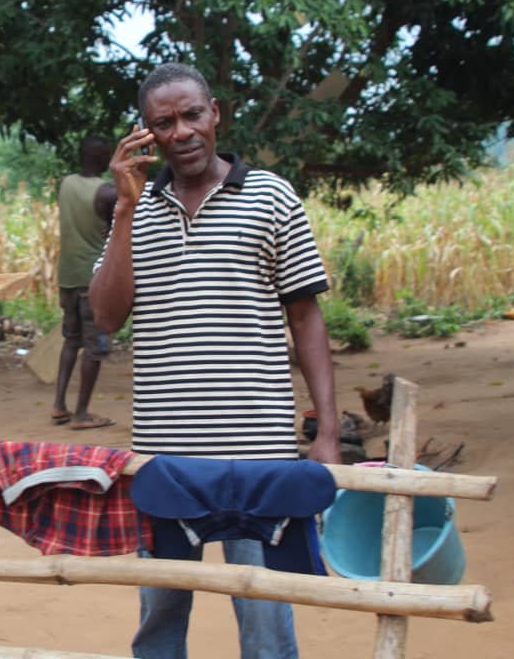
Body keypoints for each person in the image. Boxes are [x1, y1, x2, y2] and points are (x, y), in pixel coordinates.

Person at [89, 63, 340, 659]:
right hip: (164, 455)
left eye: (192, 115)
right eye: (163, 123)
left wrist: (327, 432)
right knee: (161, 615)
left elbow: (306, 318)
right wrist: (123, 211)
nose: (181, 132)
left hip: (260, 453)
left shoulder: (271, 195)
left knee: (265, 618)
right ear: (146, 134)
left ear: (215, 113)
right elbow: (105, 316)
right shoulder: (136, 210)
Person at [51, 135, 118, 430]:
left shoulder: (66, 184)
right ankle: (81, 413)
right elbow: (118, 230)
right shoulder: (107, 192)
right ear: (103, 158)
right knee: (94, 348)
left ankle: (58, 405)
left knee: (71, 341)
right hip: (93, 280)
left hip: (67, 276)